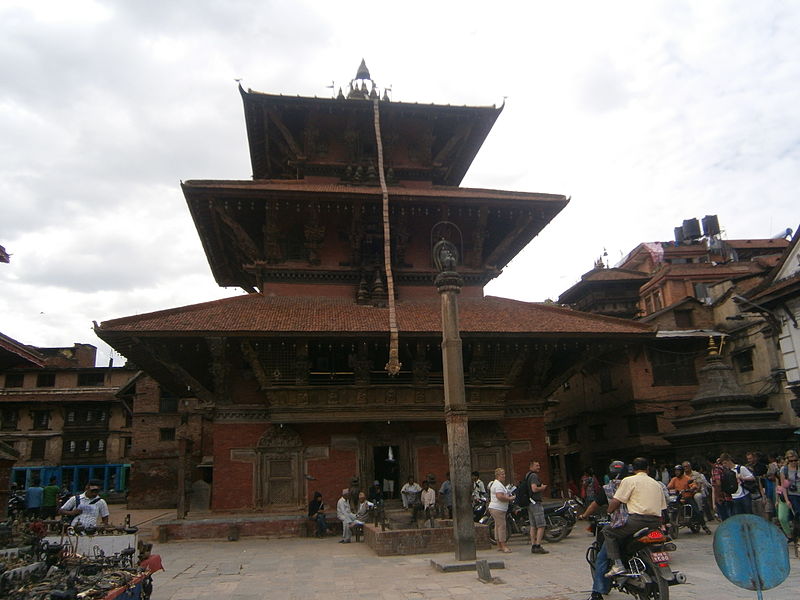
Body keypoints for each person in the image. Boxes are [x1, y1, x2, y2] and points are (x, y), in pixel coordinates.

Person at [602, 457, 666, 577]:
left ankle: (617, 565)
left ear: (633, 469)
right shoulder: (656, 484)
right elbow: (663, 507)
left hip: (637, 521)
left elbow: (617, 501)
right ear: (647, 468)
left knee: (608, 531)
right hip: (656, 522)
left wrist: (609, 512)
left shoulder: (629, 481)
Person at [579, 460, 628, 600]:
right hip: (642, 523)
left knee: (601, 558)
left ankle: (597, 592)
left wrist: (583, 515)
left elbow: (594, 505)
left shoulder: (608, 488)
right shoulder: (634, 484)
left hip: (621, 525)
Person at [488, 467, 515, 554]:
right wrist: (510, 498)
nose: (504, 476)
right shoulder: (498, 485)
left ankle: (499, 544)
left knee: (497, 526)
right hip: (498, 508)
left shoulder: (497, 484)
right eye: (502, 474)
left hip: (496, 508)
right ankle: (503, 545)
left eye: (504, 474)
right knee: (502, 526)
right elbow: (500, 496)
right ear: (498, 475)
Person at [525, 460, 549, 554]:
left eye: (539, 465)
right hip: (535, 503)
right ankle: (538, 545)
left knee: (533, 525)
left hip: (530, 503)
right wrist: (542, 488)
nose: (539, 467)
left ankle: (533, 545)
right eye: (536, 465)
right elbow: (534, 488)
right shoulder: (534, 476)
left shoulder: (527, 475)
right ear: (531, 466)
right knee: (541, 525)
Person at [681, 461, 711, 533]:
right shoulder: (680, 477)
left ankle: (700, 512)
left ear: (690, 467)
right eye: (684, 467)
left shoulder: (695, 475)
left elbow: (698, 485)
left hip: (694, 493)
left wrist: (694, 490)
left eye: (687, 466)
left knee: (697, 497)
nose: (686, 468)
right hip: (684, 494)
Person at [779, 449, 800, 540]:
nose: (793, 462)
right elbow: (783, 486)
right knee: (796, 514)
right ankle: (793, 535)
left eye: (795, 460)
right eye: (791, 461)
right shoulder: (784, 470)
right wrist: (787, 500)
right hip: (792, 494)